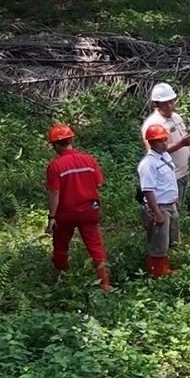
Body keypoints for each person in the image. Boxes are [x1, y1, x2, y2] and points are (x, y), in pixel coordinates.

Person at [44, 124, 110, 292]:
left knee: (60, 247)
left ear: (56, 145)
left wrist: (52, 217)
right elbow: (99, 183)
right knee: (96, 247)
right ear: (71, 140)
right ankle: (105, 284)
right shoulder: (89, 160)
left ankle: (63, 280)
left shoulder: (55, 165)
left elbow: (54, 193)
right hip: (90, 210)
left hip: (66, 213)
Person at [141, 83, 190, 238]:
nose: (170, 105)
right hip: (170, 175)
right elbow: (152, 150)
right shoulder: (153, 124)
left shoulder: (176, 117)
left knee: (178, 209)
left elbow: (185, 139)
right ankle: (164, 243)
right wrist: (181, 144)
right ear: (156, 105)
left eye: (172, 101)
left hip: (183, 171)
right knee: (169, 210)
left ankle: (173, 241)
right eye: (165, 103)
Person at [138, 123, 181, 278]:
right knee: (158, 241)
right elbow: (148, 190)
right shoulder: (148, 164)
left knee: (168, 238)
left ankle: (164, 267)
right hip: (159, 207)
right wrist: (157, 213)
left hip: (170, 204)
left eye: (164, 140)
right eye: (159, 141)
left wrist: (175, 198)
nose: (163, 143)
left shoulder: (165, 156)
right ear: (150, 143)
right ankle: (156, 273)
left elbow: (168, 180)